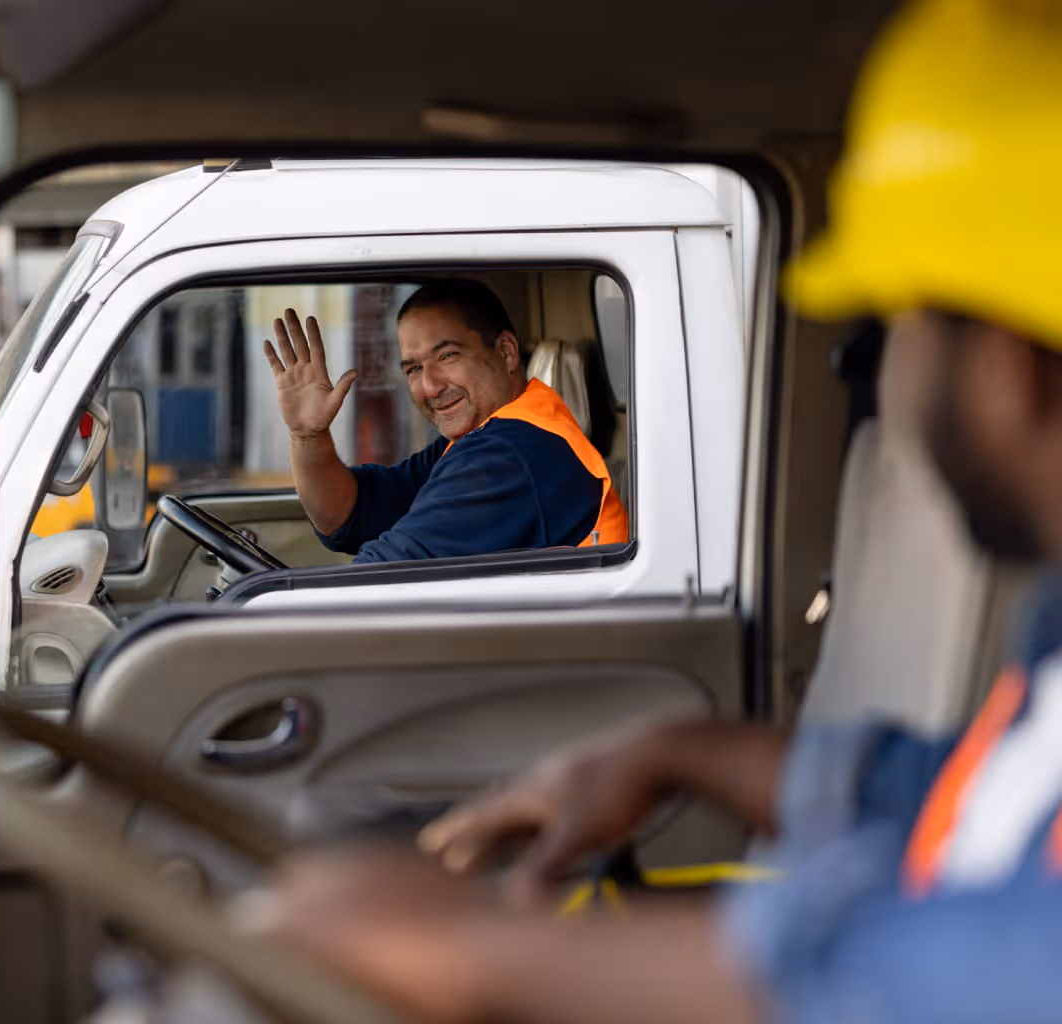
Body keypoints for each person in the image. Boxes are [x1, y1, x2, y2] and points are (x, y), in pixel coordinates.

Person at [258, 1, 1062, 1021]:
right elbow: (956, 794)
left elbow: (975, 975)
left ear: (1008, 369)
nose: (875, 375)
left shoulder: (516, 451)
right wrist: (673, 752)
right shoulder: (1052, 640)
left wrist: (469, 949)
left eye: (897, 324)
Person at [262, 279, 628, 563]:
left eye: (448, 355)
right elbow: (350, 514)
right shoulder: (486, 436)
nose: (431, 386)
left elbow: (383, 577)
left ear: (506, 352)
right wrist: (307, 436)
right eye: (415, 368)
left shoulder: (512, 453)